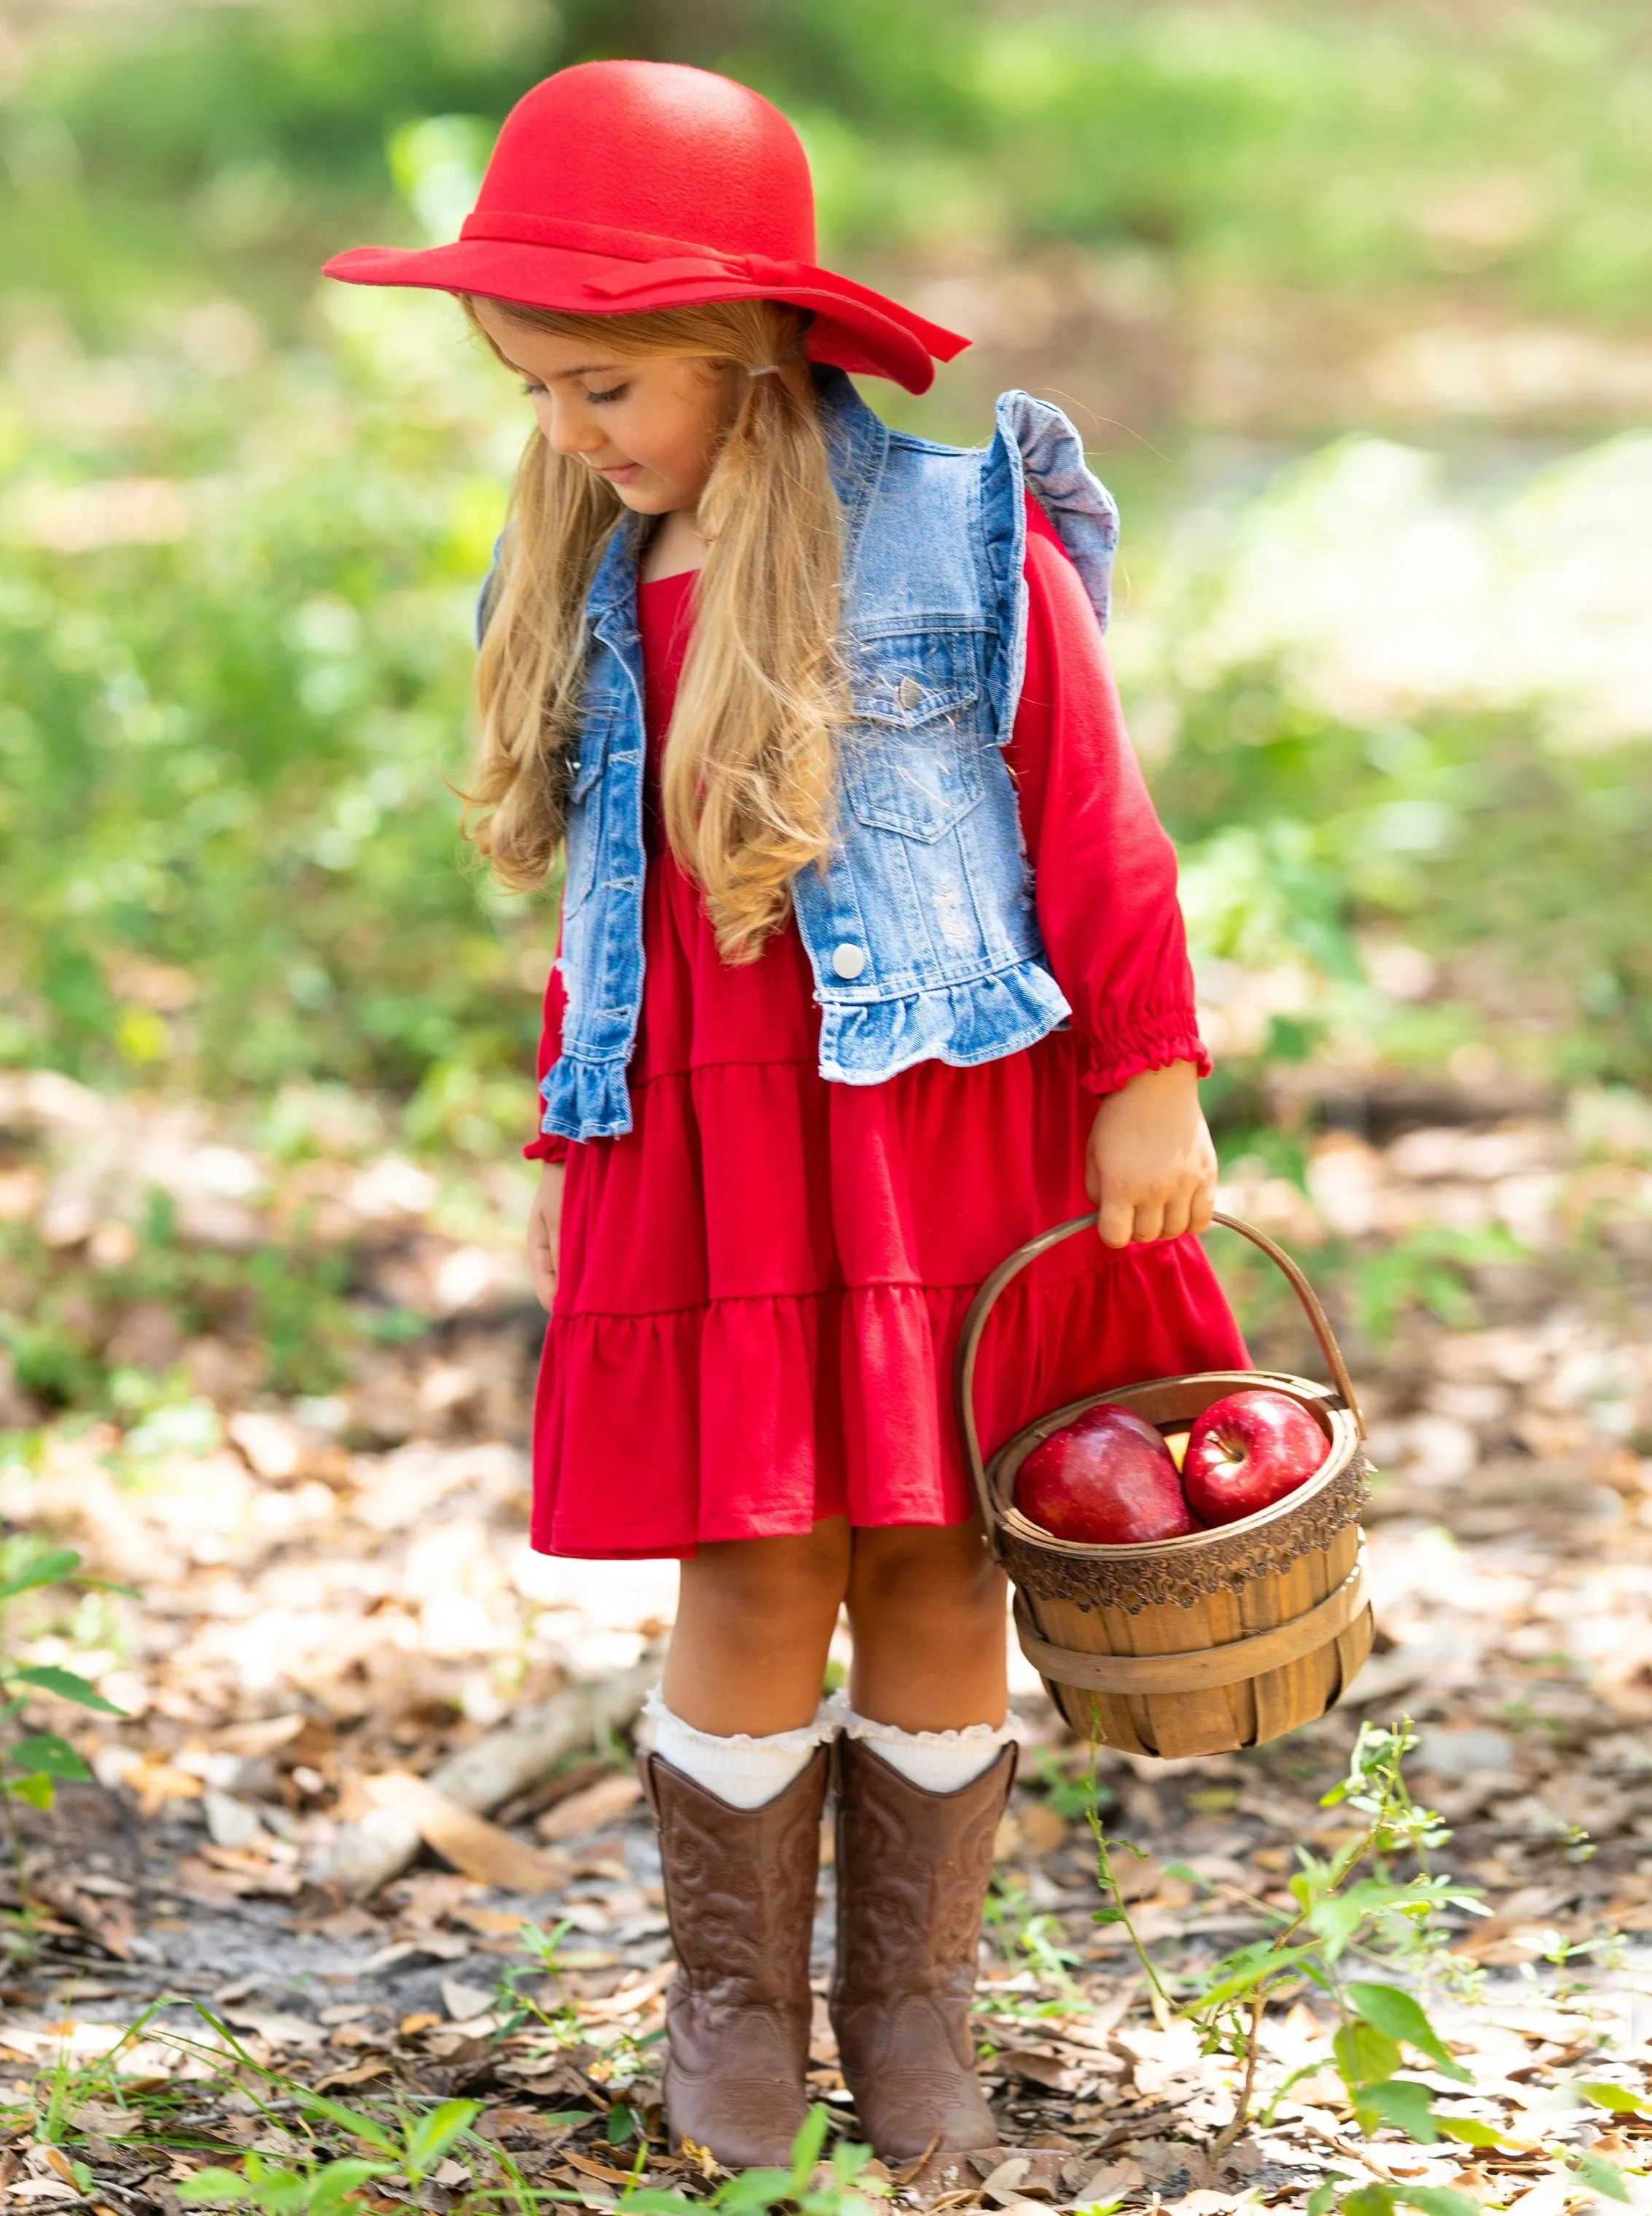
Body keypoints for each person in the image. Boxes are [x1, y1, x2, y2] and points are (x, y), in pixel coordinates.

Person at [325, 58, 1246, 2170]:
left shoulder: (957, 534)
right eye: (536, 389)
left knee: (935, 1555)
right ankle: (735, 2010)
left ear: (740, 346)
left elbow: (1095, 825)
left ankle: (911, 2012)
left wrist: (1150, 1071)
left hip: (940, 1115)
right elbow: (601, 897)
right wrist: (588, 1119)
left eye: (603, 388)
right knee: (749, 1565)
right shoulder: (573, 576)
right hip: (712, 1142)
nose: (567, 433)